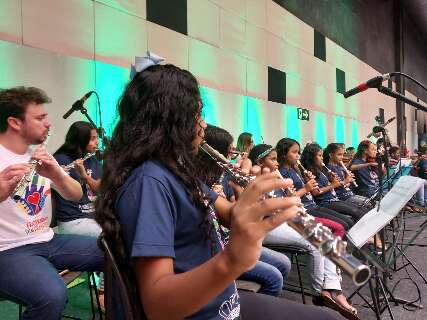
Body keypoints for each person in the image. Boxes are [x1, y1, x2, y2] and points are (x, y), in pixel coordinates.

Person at [95, 59, 337, 319]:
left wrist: (258, 204)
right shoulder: (148, 183)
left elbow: (230, 214)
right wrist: (232, 260)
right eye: (198, 115)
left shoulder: (177, 171)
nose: (204, 126)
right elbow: (158, 306)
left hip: (222, 303)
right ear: (171, 122)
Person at [0, 86, 104, 320]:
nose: (48, 123)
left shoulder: (40, 155)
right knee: (52, 294)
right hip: (7, 250)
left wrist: (56, 175)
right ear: (15, 123)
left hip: (47, 240)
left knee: (117, 251)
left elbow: (76, 195)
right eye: (40, 118)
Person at [248, 143, 358, 319]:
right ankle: (319, 292)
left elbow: (285, 201)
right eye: (272, 160)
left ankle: (334, 288)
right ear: (260, 161)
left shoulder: (275, 177)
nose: (276, 163)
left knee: (327, 236)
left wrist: (291, 197)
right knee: (314, 243)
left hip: (288, 217)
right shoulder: (253, 179)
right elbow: (262, 211)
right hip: (267, 225)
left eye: (277, 159)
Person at [196, 124, 292, 297]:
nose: (232, 158)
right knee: (274, 278)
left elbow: (234, 211)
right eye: (229, 152)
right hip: (216, 247)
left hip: (227, 238)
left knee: (284, 263)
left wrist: (245, 194)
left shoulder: (222, 178)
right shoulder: (197, 182)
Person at [53, 120, 105, 308]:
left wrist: (85, 175)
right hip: (72, 220)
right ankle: (102, 293)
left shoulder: (91, 159)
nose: (96, 143)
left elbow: (100, 188)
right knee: (111, 238)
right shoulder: (60, 160)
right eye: (92, 139)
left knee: (123, 227)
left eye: (96, 138)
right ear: (80, 140)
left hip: (92, 218)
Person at [301, 143, 365, 222]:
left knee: (361, 210)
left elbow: (332, 185)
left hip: (334, 199)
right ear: (312, 157)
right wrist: (334, 184)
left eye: (322, 156)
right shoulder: (310, 171)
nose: (322, 158)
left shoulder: (320, 169)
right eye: (319, 156)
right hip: (326, 202)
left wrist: (333, 180)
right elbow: (316, 192)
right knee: (355, 214)